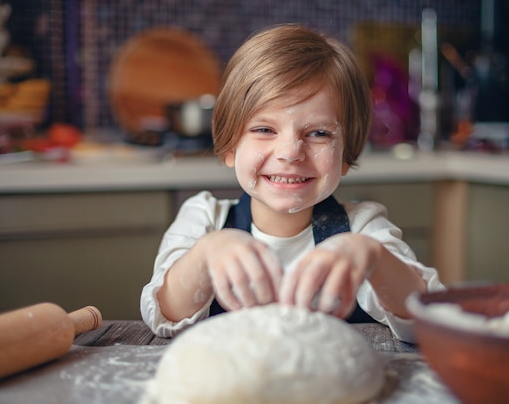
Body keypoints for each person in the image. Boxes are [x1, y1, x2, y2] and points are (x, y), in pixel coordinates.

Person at [140, 23, 444, 343]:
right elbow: (164, 317)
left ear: (345, 154)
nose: (290, 154)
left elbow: (428, 317)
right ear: (230, 146)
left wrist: (374, 259)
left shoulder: (363, 228)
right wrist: (205, 255)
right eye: (264, 129)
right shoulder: (204, 220)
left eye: (318, 133)